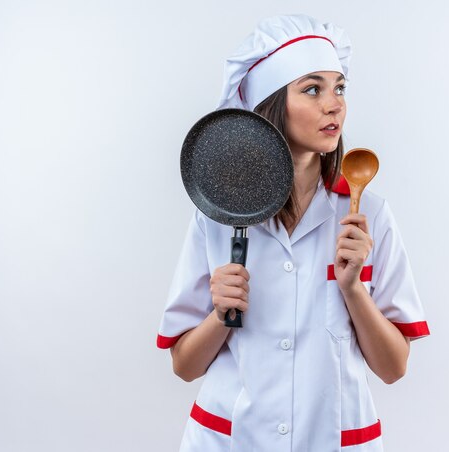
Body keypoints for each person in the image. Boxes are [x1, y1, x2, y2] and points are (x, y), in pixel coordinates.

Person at [157, 14, 429, 451]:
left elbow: (394, 368)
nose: (334, 104)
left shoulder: (368, 214)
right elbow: (184, 367)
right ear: (270, 105)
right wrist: (220, 312)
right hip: (230, 441)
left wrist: (353, 289)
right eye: (312, 89)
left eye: (339, 87)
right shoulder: (218, 216)